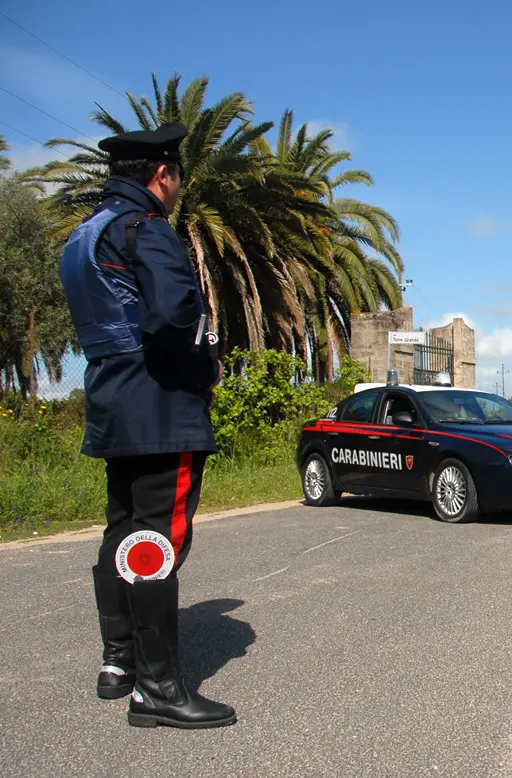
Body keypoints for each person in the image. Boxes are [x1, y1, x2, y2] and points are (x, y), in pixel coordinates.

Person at [58, 122, 235, 728]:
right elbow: (172, 315)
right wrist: (206, 364)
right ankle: (157, 691)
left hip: (112, 400)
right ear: (163, 175)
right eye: (178, 178)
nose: (179, 189)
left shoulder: (85, 236)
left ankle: (119, 663)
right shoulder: (149, 230)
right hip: (161, 405)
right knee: (158, 540)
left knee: (123, 530)